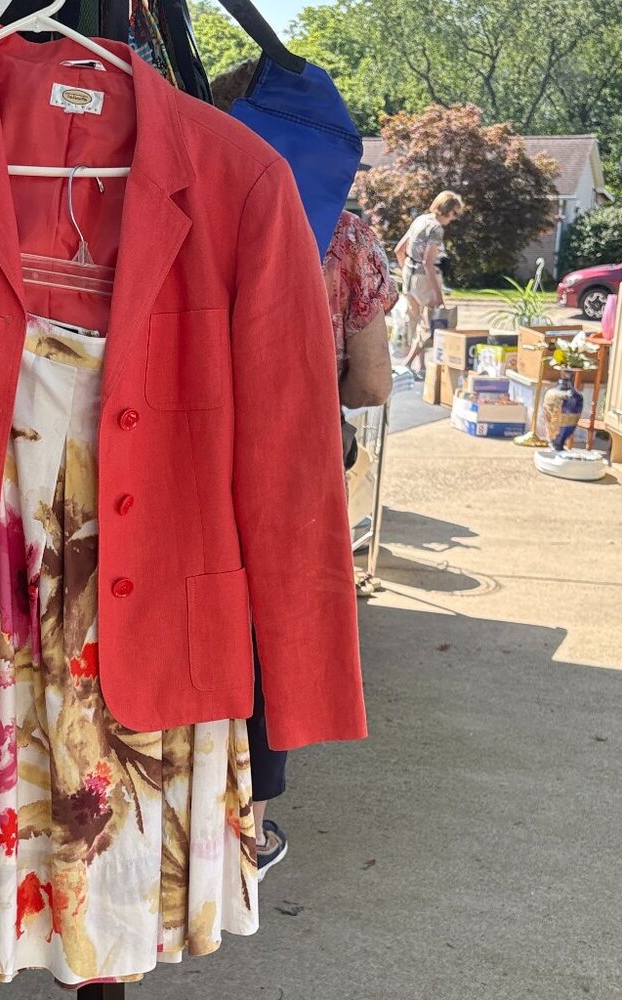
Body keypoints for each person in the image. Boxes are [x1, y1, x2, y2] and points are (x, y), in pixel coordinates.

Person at [211, 61, 399, 881]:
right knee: (273, 624)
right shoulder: (347, 234)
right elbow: (373, 382)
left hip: (188, 447)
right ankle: (248, 821)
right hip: (298, 457)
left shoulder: (183, 196)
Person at [394, 191, 465, 375]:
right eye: (454, 213)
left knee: (415, 321)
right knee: (430, 323)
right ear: (448, 210)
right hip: (425, 278)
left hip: (409, 277)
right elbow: (428, 262)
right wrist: (438, 294)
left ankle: (421, 365)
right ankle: (408, 363)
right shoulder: (436, 228)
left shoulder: (420, 220)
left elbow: (399, 250)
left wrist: (406, 272)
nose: (454, 218)